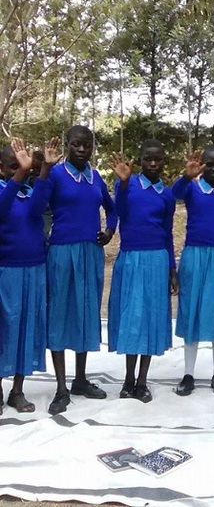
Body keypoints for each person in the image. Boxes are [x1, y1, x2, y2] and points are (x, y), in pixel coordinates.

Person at [31, 125, 117, 415]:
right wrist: (44, 169)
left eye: (87, 145)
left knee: (84, 313)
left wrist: (109, 231)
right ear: (68, 145)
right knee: (59, 314)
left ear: (93, 148)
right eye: (76, 145)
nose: (82, 150)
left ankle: (80, 379)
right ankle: (60, 388)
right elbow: (36, 207)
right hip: (61, 252)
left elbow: (112, 207)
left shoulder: (95, 177)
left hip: (90, 254)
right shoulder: (55, 174)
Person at [108, 141, 177, 403]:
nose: (152, 163)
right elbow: (121, 213)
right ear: (140, 159)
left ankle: (142, 381)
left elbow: (168, 233)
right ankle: (127, 379)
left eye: (157, 159)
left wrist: (172, 270)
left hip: (157, 259)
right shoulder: (127, 184)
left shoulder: (167, 195)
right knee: (132, 318)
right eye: (148, 159)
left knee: (150, 318)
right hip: (131, 257)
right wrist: (123, 184)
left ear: (163, 162)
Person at [172, 147, 214, 396]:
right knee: (191, 312)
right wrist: (187, 176)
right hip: (195, 256)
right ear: (202, 165)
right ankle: (188, 374)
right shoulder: (192, 188)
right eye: (209, 164)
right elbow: (174, 195)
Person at [0, 138, 55, 414]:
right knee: (4, 328)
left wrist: (43, 169)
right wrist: (20, 173)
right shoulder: (4, 190)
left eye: (23, 167)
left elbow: (38, 209)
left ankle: (17, 390)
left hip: (35, 269)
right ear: (2, 169)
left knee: (27, 329)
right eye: (13, 166)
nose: (19, 170)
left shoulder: (28, 191)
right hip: (6, 271)